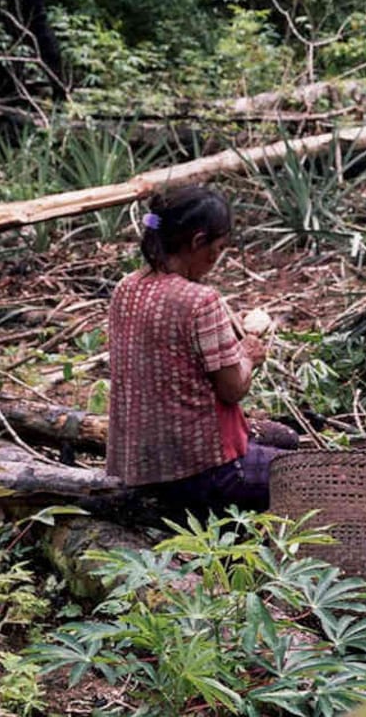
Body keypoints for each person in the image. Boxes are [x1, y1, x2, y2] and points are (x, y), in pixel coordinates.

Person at [106, 185, 277, 516]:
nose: (217, 258)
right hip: (201, 471)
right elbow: (233, 389)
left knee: (282, 436)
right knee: (305, 471)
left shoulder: (126, 288)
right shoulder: (200, 300)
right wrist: (249, 353)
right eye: (219, 248)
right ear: (198, 242)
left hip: (141, 464)